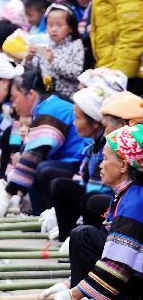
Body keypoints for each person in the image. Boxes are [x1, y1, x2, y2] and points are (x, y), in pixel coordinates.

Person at [49, 123, 143, 300]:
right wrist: (69, 283)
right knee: (86, 236)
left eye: (105, 159)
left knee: (83, 235)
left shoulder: (135, 200)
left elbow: (118, 262)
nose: (100, 165)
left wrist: (74, 294)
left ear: (124, 165)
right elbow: (110, 246)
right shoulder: (125, 193)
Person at [0, 67, 90, 217]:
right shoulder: (45, 107)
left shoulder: (51, 109)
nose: (13, 105)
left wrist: (7, 194)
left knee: (41, 167)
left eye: (15, 98)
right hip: (67, 162)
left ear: (31, 95)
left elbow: (35, 155)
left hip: (78, 166)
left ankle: (46, 214)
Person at [45, 73, 124, 242]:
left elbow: (98, 187)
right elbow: (83, 178)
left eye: (78, 118)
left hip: (109, 200)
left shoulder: (107, 146)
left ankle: (86, 241)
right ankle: (69, 237)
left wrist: (79, 220)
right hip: (94, 193)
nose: (73, 123)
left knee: (91, 200)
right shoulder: (92, 144)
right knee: (61, 185)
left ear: (95, 122)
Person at [24, 3, 84, 99]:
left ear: (71, 28)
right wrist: (29, 58)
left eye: (59, 25)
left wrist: (53, 61)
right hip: (47, 93)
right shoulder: (45, 43)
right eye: (50, 25)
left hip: (67, 97)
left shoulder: (75, 45)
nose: (54, 29)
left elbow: (75, 73)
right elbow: (34, 69)